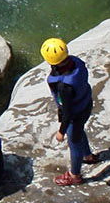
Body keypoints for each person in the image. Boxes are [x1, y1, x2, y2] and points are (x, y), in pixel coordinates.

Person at [41, 38, 102, 186]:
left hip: (74, 114)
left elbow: (67, 112)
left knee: (74, 142)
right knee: (79, 131)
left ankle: (75, 175)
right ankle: (87, 155)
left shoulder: (63, 86)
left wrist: (61, 131)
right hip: (85, 104)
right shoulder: (75, 63)